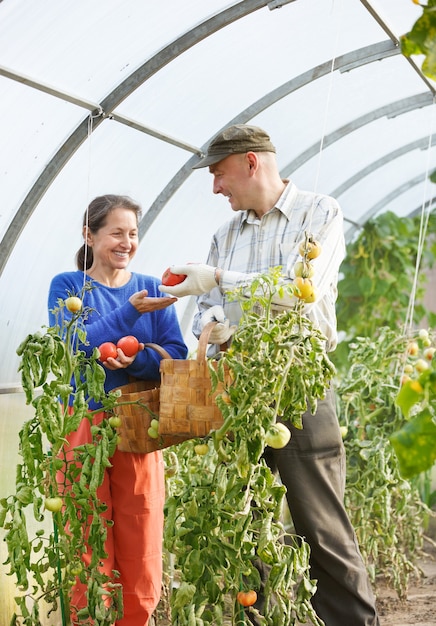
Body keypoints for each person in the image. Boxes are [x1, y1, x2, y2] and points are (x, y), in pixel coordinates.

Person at [158, 125, 380, 625]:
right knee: (243, 528)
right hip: (238, 388)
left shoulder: (319, 213)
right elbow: (204, 309)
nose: (216, 187)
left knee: (320, 526)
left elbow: (299, 289)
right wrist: (210, 325)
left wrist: (218, 281)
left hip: (299, 385)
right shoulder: (224, 236)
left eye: (218, 174)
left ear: (251, 163)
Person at [48, 194, 188, 626]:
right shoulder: (68, 286)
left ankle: (136, 619)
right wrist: (129, 312)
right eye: (116, 233)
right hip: (82, 421)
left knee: (140, 529)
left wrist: (138, 359)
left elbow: (176, 355)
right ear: (89, 236)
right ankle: (90, 619)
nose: (127, 242)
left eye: (133, 233)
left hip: (137, 421)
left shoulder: (153, 287)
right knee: (85, 531)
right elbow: (74, 346)